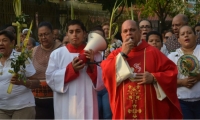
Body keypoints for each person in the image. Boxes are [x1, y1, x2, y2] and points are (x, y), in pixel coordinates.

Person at [101, 20, 182, 119]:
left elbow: (171, 73)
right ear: (121, 35)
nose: (129, 33)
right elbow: (106, 74)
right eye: (125, 31)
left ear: (139, 32)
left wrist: (153, 77)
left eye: (132, 30)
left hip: (149, 110)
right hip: (124, 108)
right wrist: (123, 54)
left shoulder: (153, 52)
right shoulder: (115, 54)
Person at [46, 20, 104, 119]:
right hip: (66, 105)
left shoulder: (95, 54)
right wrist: (71, 69)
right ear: (67, 34)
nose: (74, 35)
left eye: (78, 31)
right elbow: (50, 79)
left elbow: (102, 81)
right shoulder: (57, 54)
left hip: (88, 103)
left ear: (84, 34)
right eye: (71, 32)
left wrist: (91, 65)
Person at [29, 21, 62, 119]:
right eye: (40, 35)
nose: (43, 37)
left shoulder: (62, 50)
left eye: (46, 34)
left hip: (58, 98)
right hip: (37, 100)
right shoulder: (33, 51)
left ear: (52, 34)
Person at [0, 30, 36, 119]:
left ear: (12, 42)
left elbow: (37, 82)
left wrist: (22, 82)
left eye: (4, 40)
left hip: (23, 107)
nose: (1, 43)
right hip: (2, 108)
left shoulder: (22, 58)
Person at [168, 25, 200, 119]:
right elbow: (166, 79)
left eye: (189, 33)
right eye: (182, 34)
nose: (186, 35)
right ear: (178, 40)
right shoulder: (172, 56)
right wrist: (181, 82)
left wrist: (198, 77)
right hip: (182, 101)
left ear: (196, 36)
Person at [90, 25, 112, 119]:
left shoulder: (108, 52)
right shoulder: (87, 53)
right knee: (96, 113)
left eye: (100, 37)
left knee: (107, 114)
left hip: (106, 88)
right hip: (93, 89)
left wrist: (110, 58)